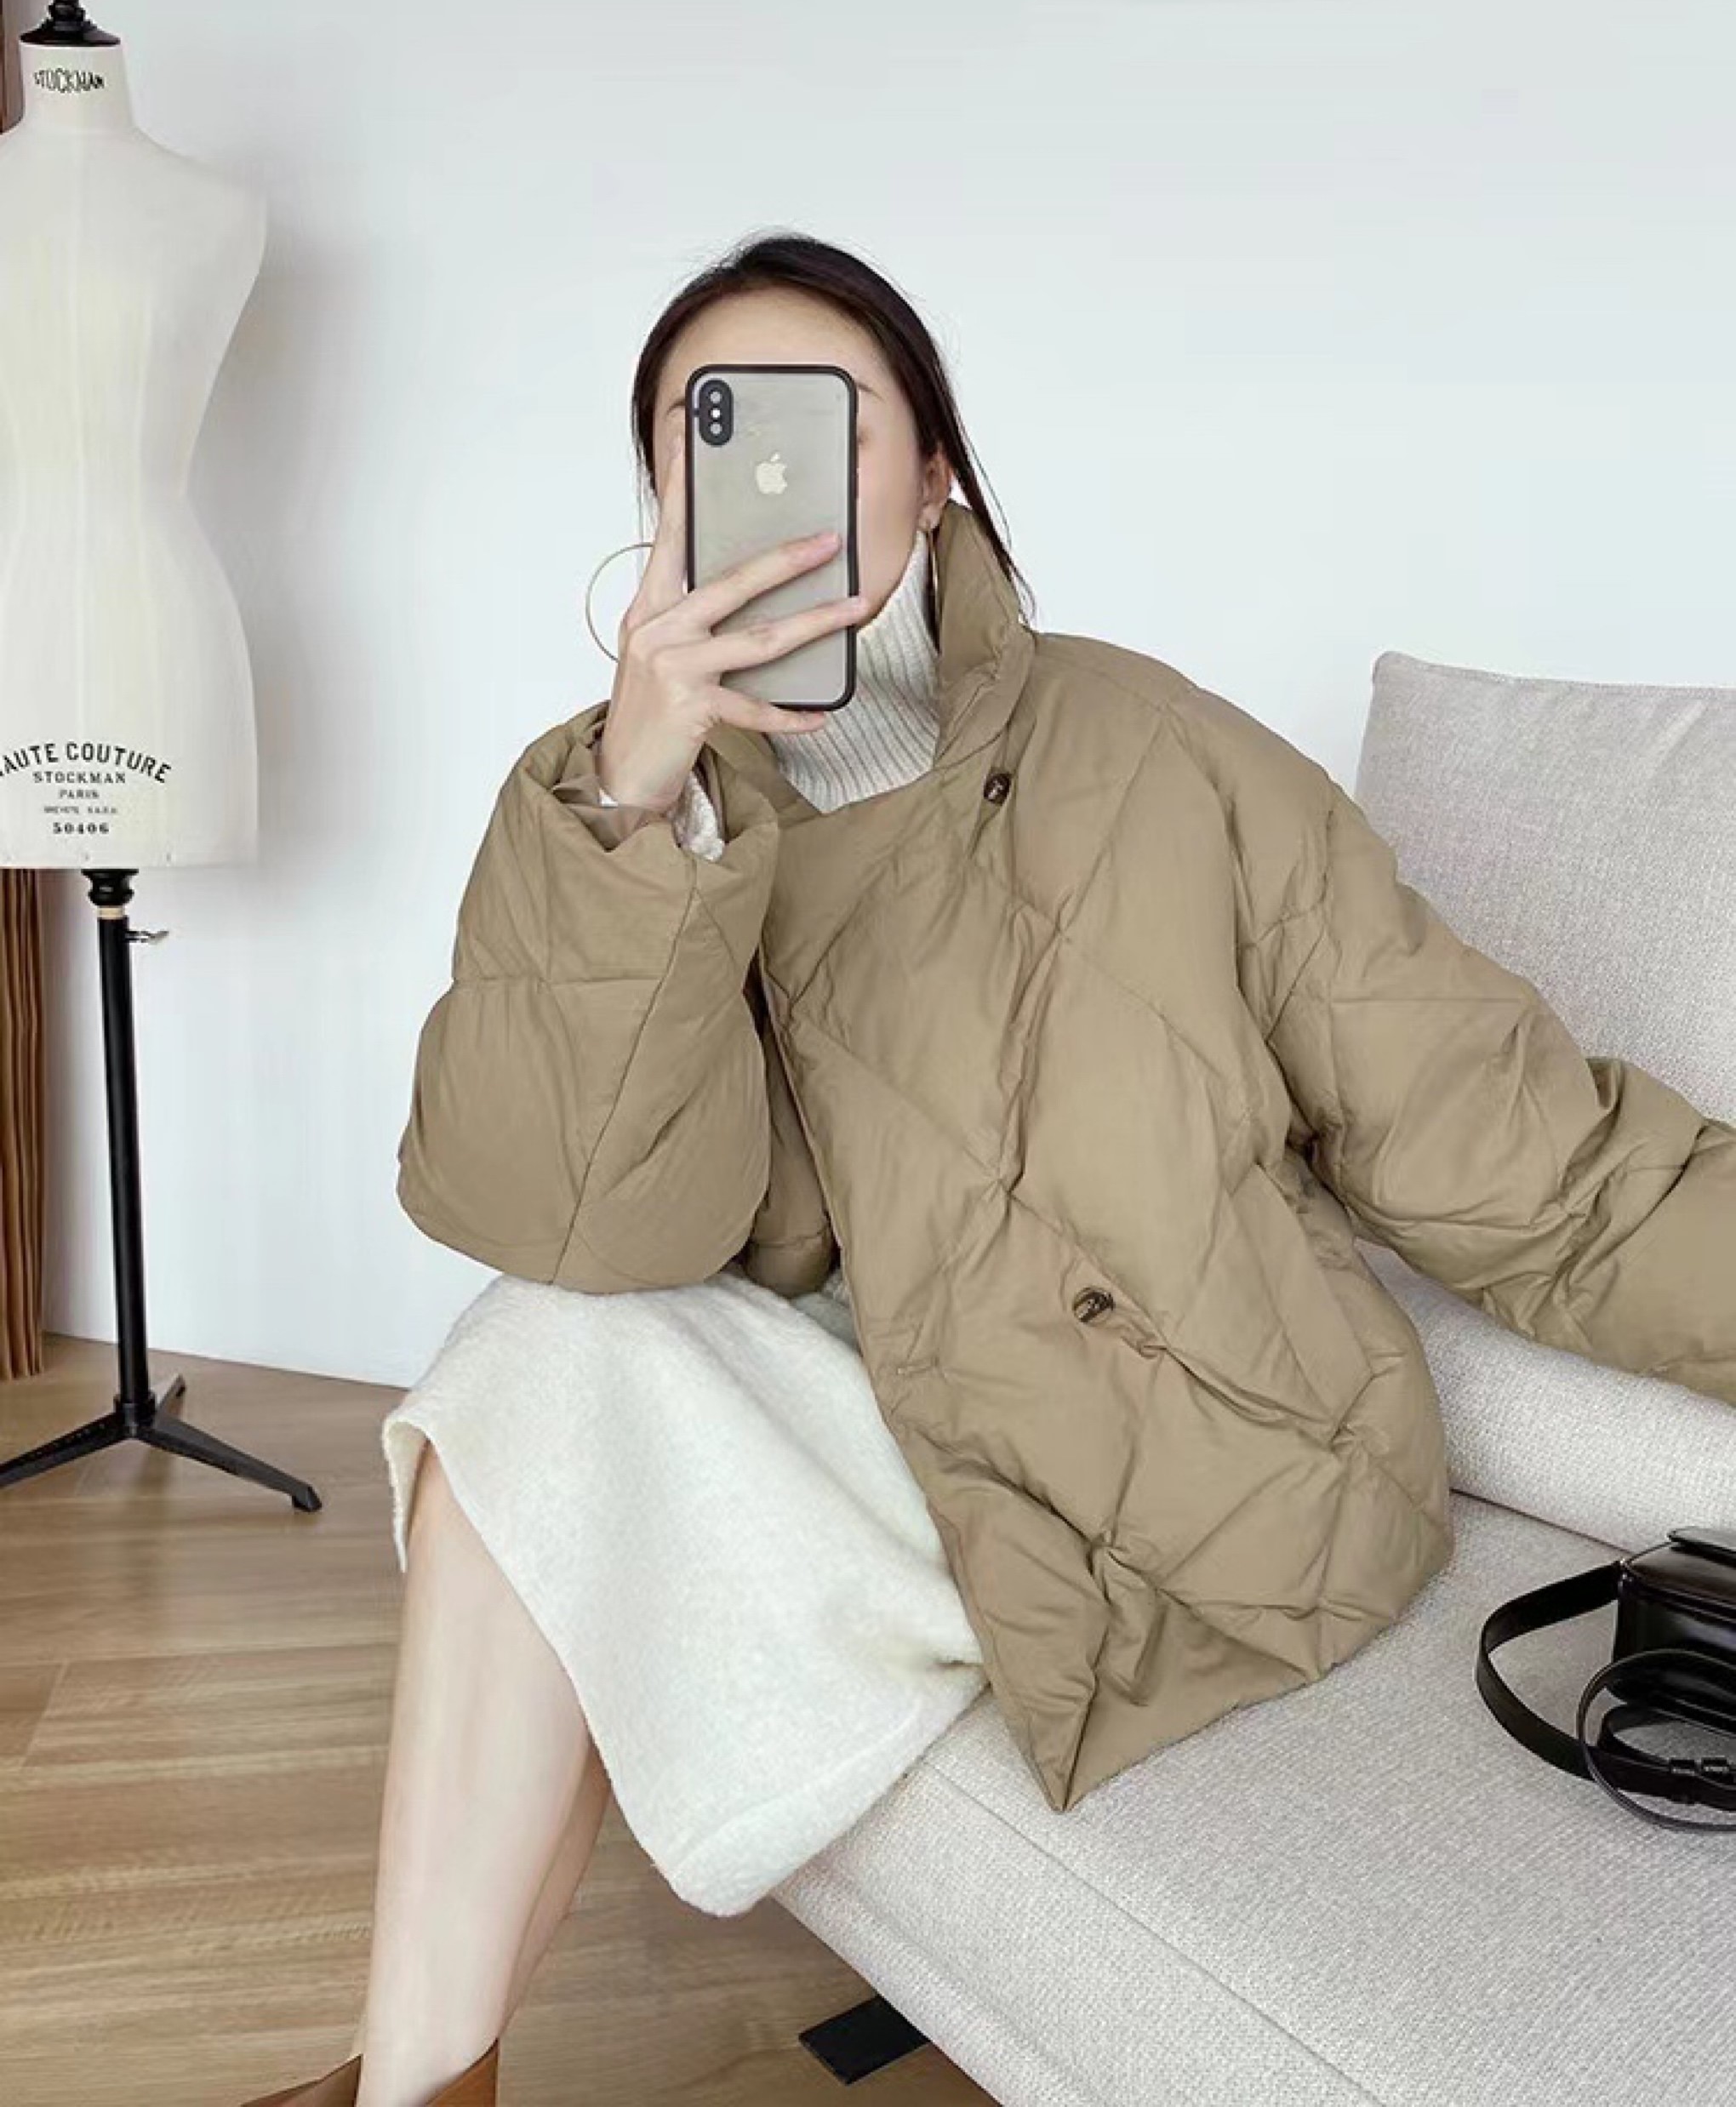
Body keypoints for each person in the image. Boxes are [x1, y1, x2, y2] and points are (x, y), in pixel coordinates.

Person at [243, 232, 1736, 2107]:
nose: (771, 489)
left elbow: (1526, 1158)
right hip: (905, 1432)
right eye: (712, 441)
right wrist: (639, 807)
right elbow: (576, 1230)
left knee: (535, 1403)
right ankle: (418, 2086)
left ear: (934, 469)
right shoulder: (622, 809)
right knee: (520, 1371)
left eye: (827, 426)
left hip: (1204, 1456)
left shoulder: (1159, 747)